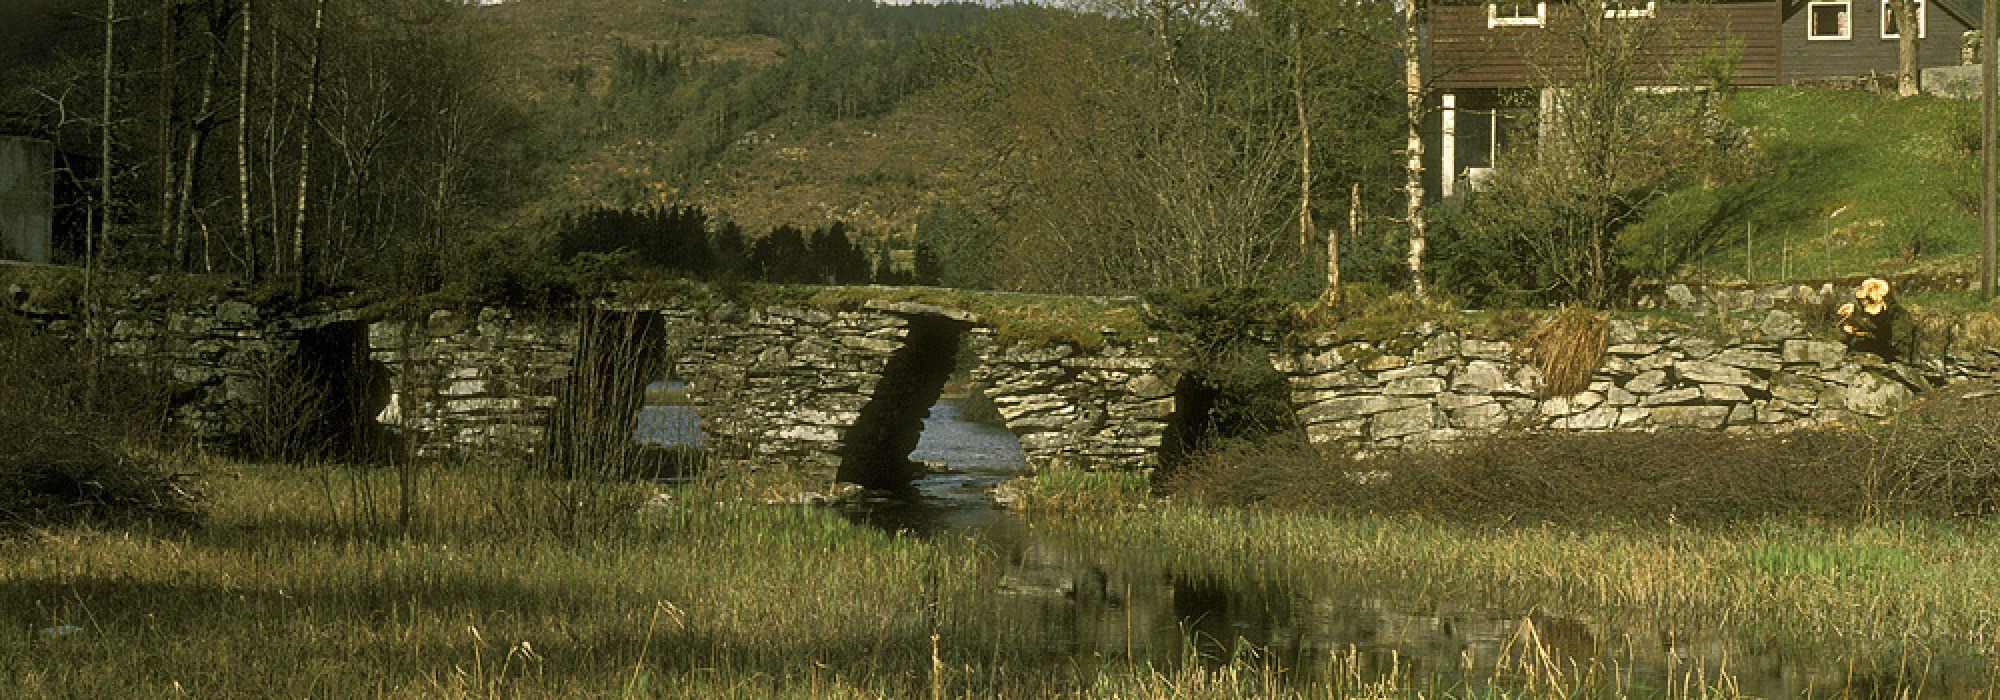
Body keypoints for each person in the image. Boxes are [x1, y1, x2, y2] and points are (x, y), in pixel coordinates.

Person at [1835, 277, 1896, 358]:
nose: (1864, 302)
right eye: (1862, 300)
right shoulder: (1858, 313)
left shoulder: (1893, 313)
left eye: (1865, 299)